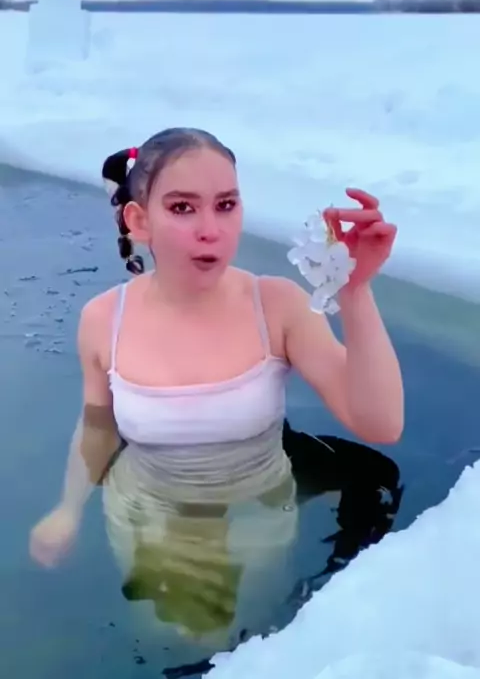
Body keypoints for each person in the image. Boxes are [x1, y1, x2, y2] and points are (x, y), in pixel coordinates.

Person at [29, 127, 404, 659]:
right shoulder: (103, 320)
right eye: (182, 208)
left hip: (254, 512)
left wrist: (356, 290)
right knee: (166, 641)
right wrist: (67, 509)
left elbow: (381, 424)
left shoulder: (276, 306)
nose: (211, 230)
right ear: (139, 221)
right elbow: (98, 424)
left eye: (226, 205)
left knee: (250, 640)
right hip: (145, 514)